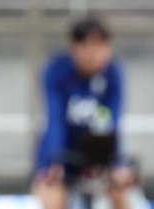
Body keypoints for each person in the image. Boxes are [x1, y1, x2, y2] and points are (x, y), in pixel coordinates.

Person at [32, 17, 134, 209]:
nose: (100, 55)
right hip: (63, 152)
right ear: (75, 48)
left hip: (98, 153)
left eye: (103, 47)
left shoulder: (113, 73)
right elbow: (55, 120)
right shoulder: (56, 71)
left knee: (121, 192)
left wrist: (114, 165)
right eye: (92, 47)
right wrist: (54, 161)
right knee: (50, 193)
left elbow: (112, 122)